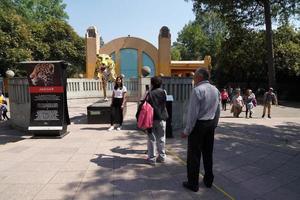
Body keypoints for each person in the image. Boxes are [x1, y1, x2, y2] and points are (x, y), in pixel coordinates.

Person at [181, 68, 220, 192]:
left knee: (194, 155)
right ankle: (209, 180)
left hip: (199, 125)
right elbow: (218, 110)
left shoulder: (197, 90)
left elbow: (192, 114)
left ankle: (193, 183)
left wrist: (187, 131)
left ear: (200, 77)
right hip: (210, 124)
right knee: (208, 153)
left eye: (195, 76)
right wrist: (215, 124)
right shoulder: (215, 90)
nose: (193, 78)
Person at [146, 76, 169, 165]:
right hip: (162, 117)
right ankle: (162, 156)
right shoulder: (164, 92)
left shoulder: (150, 93)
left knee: (151, 138)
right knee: (162, 138)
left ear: (152, 83)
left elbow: (145, 104)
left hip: (151, 119)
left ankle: (152, 158)